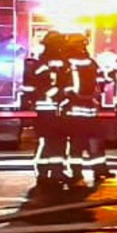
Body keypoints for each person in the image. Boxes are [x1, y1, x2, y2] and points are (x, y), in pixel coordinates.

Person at [60, 33, 112, 186]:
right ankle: (81, 172)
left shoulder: (70, 61)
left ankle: (93, 170)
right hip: (82, 108)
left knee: (89, 142)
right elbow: (101, 79)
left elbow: (100, 79)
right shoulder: (85, 62)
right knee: (83, 143)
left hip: (80, 108)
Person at [23, 31, 68, 193]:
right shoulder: (50, 63)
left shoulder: (42, 62)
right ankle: (47, 173)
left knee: (55, 142)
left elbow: (30, 88)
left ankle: (53, 173)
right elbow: (38, 86)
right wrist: (56, 94)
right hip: (51, 108)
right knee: (51, 141)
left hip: (52, 109)